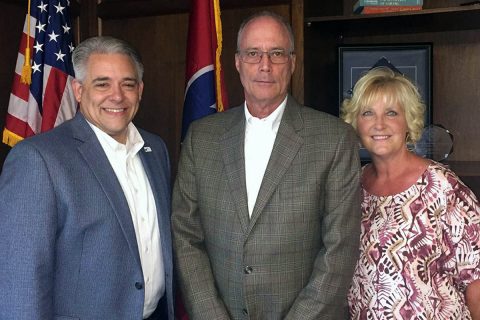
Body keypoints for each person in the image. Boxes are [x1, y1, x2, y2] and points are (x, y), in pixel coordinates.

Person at [172, 11, 361, 319]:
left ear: (293, 62)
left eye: (276, 53)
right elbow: (186, 236)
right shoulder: (202, 138)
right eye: (253, 54)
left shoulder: (334, 139)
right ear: (236, 62)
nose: (265, 66)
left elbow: (339, 250)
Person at [0, 36, 174, 320]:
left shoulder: (156, 150)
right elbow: (20, 279)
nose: (117, 96)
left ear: (140, 90)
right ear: (78, 90)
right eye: (102, 83)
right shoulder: (37, 160)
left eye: (128, 84)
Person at [341, 66, 480, 319]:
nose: (379, 124)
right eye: (368, 113)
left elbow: (476, 281)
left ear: (409, 121)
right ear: (356, 123)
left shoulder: (441, 186)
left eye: (392, 113)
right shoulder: (353, 184)